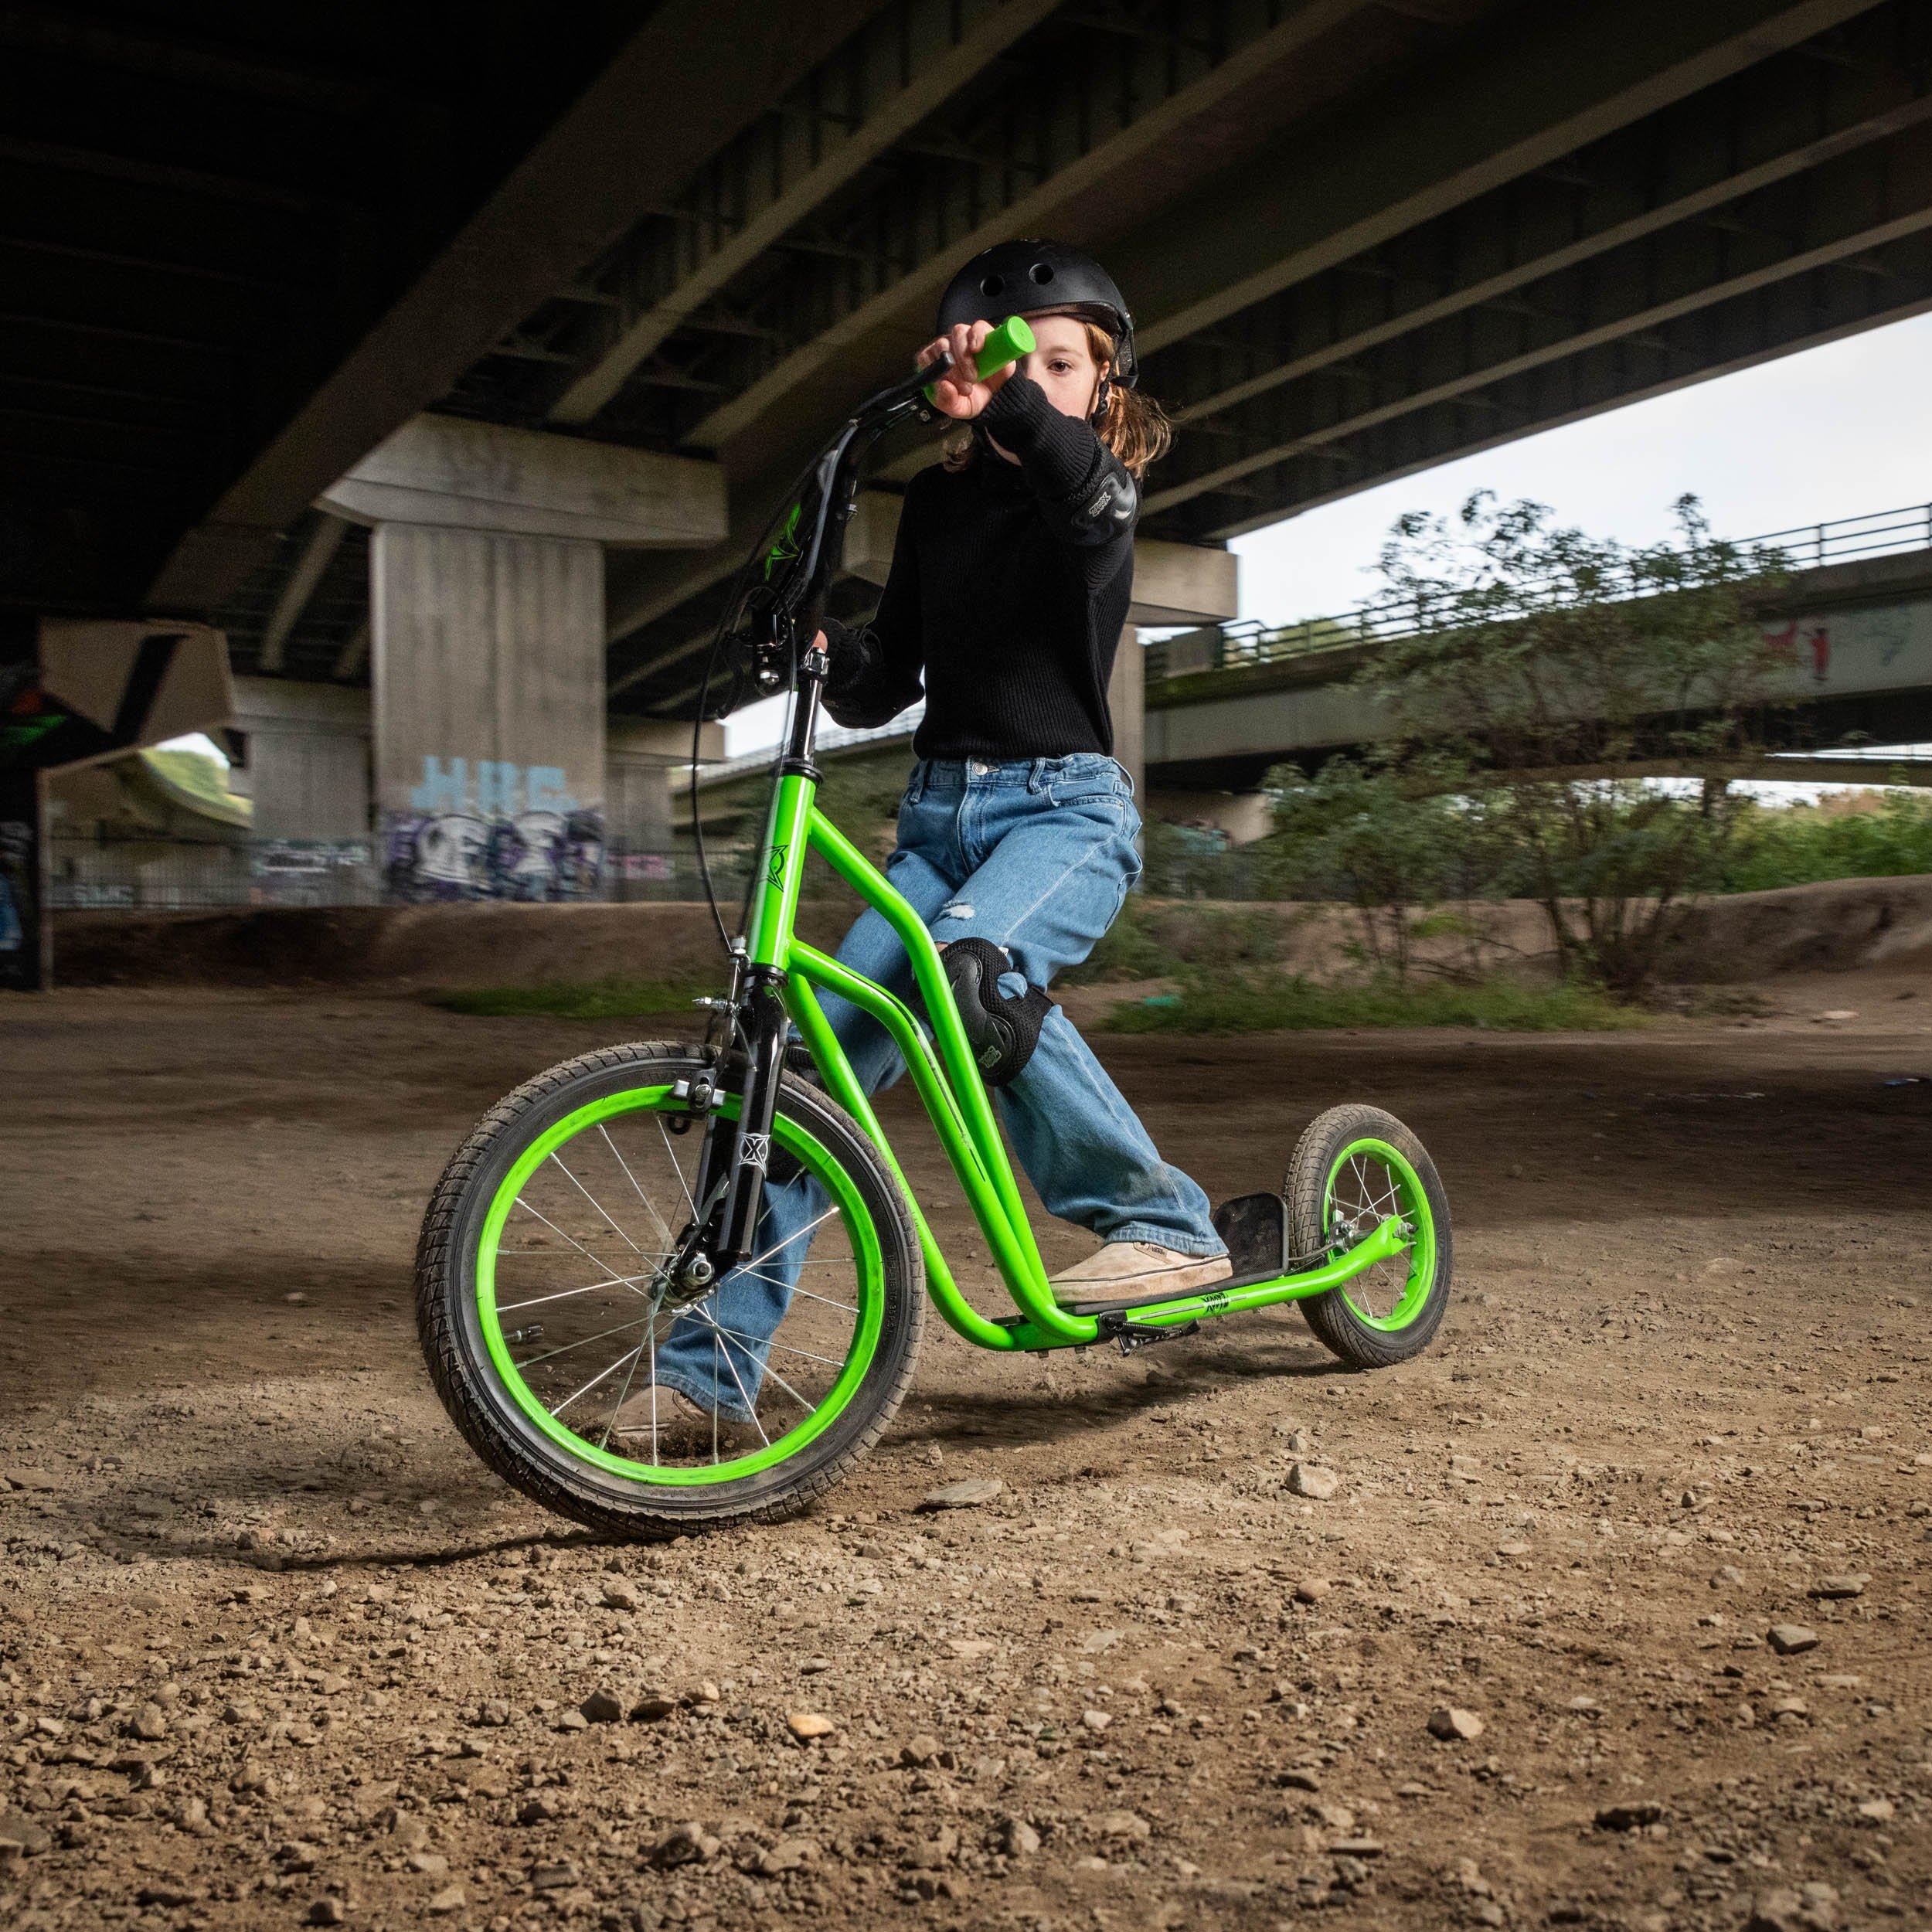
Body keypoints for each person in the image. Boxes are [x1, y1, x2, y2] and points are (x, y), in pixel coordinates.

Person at [620, 240, 1231, 1445]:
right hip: (940, 818)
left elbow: (1075, 491)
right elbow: (883, 679)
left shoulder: (1094, 482)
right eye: (1023, 360)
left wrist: (1007, 399)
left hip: (1065, 809)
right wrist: (815, 643)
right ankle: (703, 1376)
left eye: (1065, 362)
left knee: (970, 978)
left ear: (1103, 387)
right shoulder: (942, 506)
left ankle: (1167, 1230)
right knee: (797, 1072)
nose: (1041, 379)